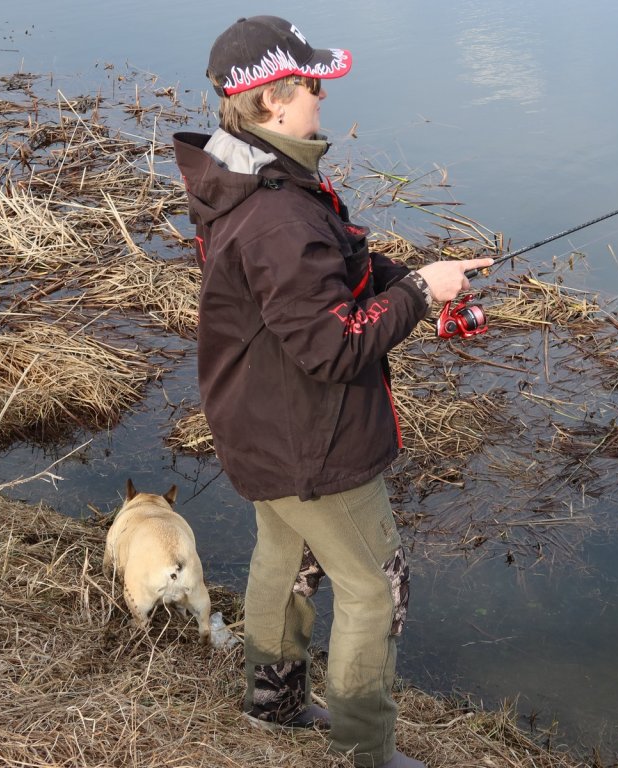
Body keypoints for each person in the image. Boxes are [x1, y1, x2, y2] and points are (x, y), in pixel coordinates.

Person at [173, 15, 493, 768]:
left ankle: (273, 707)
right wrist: (417, 292)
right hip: (310, 441)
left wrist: (404, 285)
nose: (323, 96)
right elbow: (332, 345)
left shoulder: (254, 178)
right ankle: (367, 752)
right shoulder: (277, 214)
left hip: (262, 426)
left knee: (284, 562)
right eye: (313, 85)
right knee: (373, 589)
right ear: (272, 104)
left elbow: (320, 290)